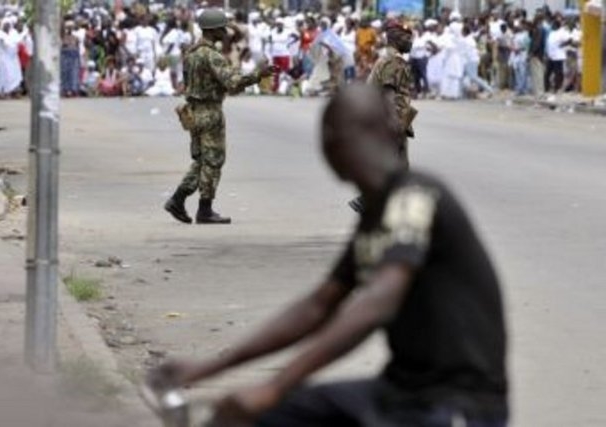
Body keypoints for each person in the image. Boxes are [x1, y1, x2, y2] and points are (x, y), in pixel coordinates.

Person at [146, 84, 509, 427]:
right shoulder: (376, 214)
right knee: (260, 416)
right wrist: (207, 369)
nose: (330, 147)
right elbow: (318, 305)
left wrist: (274, 386)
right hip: (400, 392)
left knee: (268, 405)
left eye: (336, 136)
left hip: (456, 404)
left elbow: (378, 301)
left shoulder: (414, 198)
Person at [164, 8, 276, 225]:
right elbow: (231, 82)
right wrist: (257, 75)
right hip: (210, 111)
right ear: (213, 30)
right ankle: (204, 210)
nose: (225, 31)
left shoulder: (191, 53)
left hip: (194, 110)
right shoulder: (212, 56)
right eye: (222, 28)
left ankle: (178, 200)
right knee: (213, 160)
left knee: (201, 160)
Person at [348, 22, 416, 214]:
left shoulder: (387, 59)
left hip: (391, 120)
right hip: (391, 120)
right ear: (395, 39)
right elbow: (387, 93)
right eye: (407, 38)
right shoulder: (393, 61)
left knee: (400, 169)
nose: (411, 42)